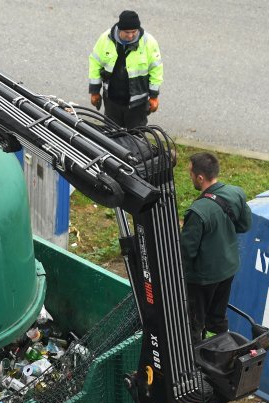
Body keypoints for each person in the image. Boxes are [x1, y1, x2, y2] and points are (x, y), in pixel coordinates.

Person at [180, 152, 252, 344]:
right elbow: (244, 225)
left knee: (193, 322)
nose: (191, 178)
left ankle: (192, 359)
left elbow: (185, 253)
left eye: (191, 174)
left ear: (200, 177)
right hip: (228, 270)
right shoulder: (236, 193)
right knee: (217, 318)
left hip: (203, 279)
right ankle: (219, 351)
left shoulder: (198, 211)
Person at [88, 10, 163, 129]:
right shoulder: (105, 39)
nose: (130, 36)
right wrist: (94, 91)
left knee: (136, 136)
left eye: (134, 32)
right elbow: (95, 63)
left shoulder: (149, 42)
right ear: (119, 29)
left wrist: (154, 96)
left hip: (137, 104)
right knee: (111, 134)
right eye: (127, 32)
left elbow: (156, 69)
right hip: (112, 100)